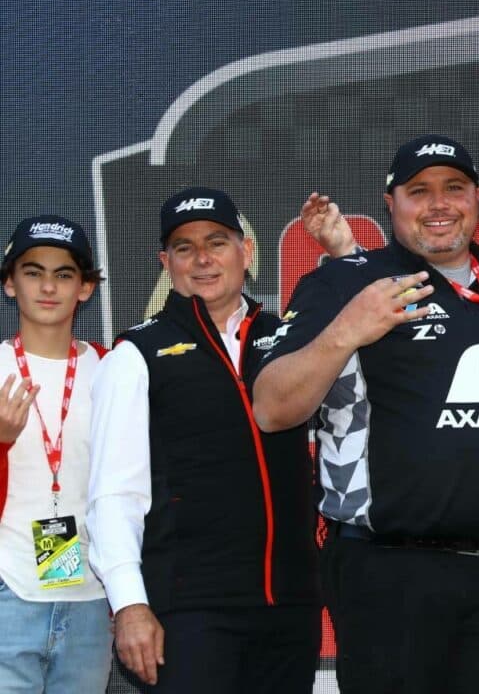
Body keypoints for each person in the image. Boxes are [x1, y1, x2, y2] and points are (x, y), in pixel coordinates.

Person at [252, 134, 479, 693]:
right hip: (385, 568)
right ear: (391, 204)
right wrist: (348, 328)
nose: (439, 204)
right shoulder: (344, 281)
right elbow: (271, 407)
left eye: (453, 188)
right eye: (419, 191)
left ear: (478, 197)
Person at [87, 187, 321, 692]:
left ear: (247, 251)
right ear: (165, 262)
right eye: (185, 247)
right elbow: (113, 494)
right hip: (190, 613)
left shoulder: (290, 341)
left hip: (291, 609)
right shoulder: (136, 353)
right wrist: (130, 604)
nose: (202, 259)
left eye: (216, 241)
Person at [0, 215, 111, 693]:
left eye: (64, 274)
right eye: (32, 271)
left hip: (92, 598)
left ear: (85, 287)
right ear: (9, 284)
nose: (48, 286)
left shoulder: (114, 368)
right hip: (9, 591)